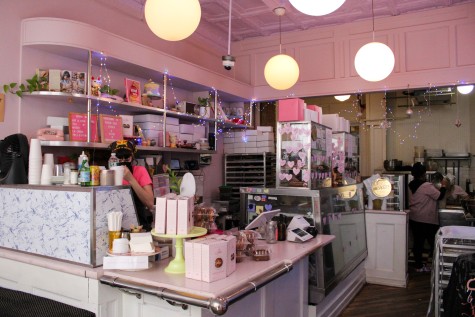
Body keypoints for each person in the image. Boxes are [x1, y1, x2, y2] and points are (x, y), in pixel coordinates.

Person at [408, 162, 448, 272]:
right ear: (423, 174)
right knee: (434, 243)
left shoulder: (411, 184)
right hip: (426, 219)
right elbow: (440, 196)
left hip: (414, 217)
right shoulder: (426, 186)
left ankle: (418, 266)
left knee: (418, 243)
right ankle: (438, 267)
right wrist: (444, 185)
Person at [109, 140, 154, 231]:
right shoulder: (109, 174)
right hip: (116, 227)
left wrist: (131, 179)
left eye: (127, 158)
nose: (123, 161)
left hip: (139, 227)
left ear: (132, 157)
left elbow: (150, 203)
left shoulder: (140, 171)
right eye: (119, 158)